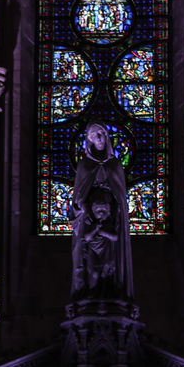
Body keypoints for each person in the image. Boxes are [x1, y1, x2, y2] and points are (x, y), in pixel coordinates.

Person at [71, 124, 133, 300]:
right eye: (94, 135)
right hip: (90, 220)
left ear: (106, 137)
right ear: (89, 140)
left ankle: (112, 292)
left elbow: (120, 195)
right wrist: (82, 207)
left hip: (110, 219)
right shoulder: (84, 165)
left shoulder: (115, 164)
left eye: (102, 134)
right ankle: (88, 294)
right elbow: (79, 195)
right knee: (89, 264)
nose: (99, 137)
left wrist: (115, 207)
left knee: (110, 264)